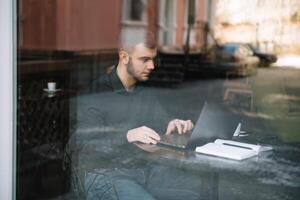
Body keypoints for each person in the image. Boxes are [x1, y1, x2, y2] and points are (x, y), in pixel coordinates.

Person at [66, 32, 204, 200]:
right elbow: (85, 146)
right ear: (124, 57)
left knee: (199, 189)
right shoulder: (96, 94)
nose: (152, 66)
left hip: (142, 169)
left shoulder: (144, 92)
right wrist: (126, 135)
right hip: (102, 174)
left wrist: (173, 124)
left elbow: (162, 126)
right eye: (144, 59)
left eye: (153, 59)